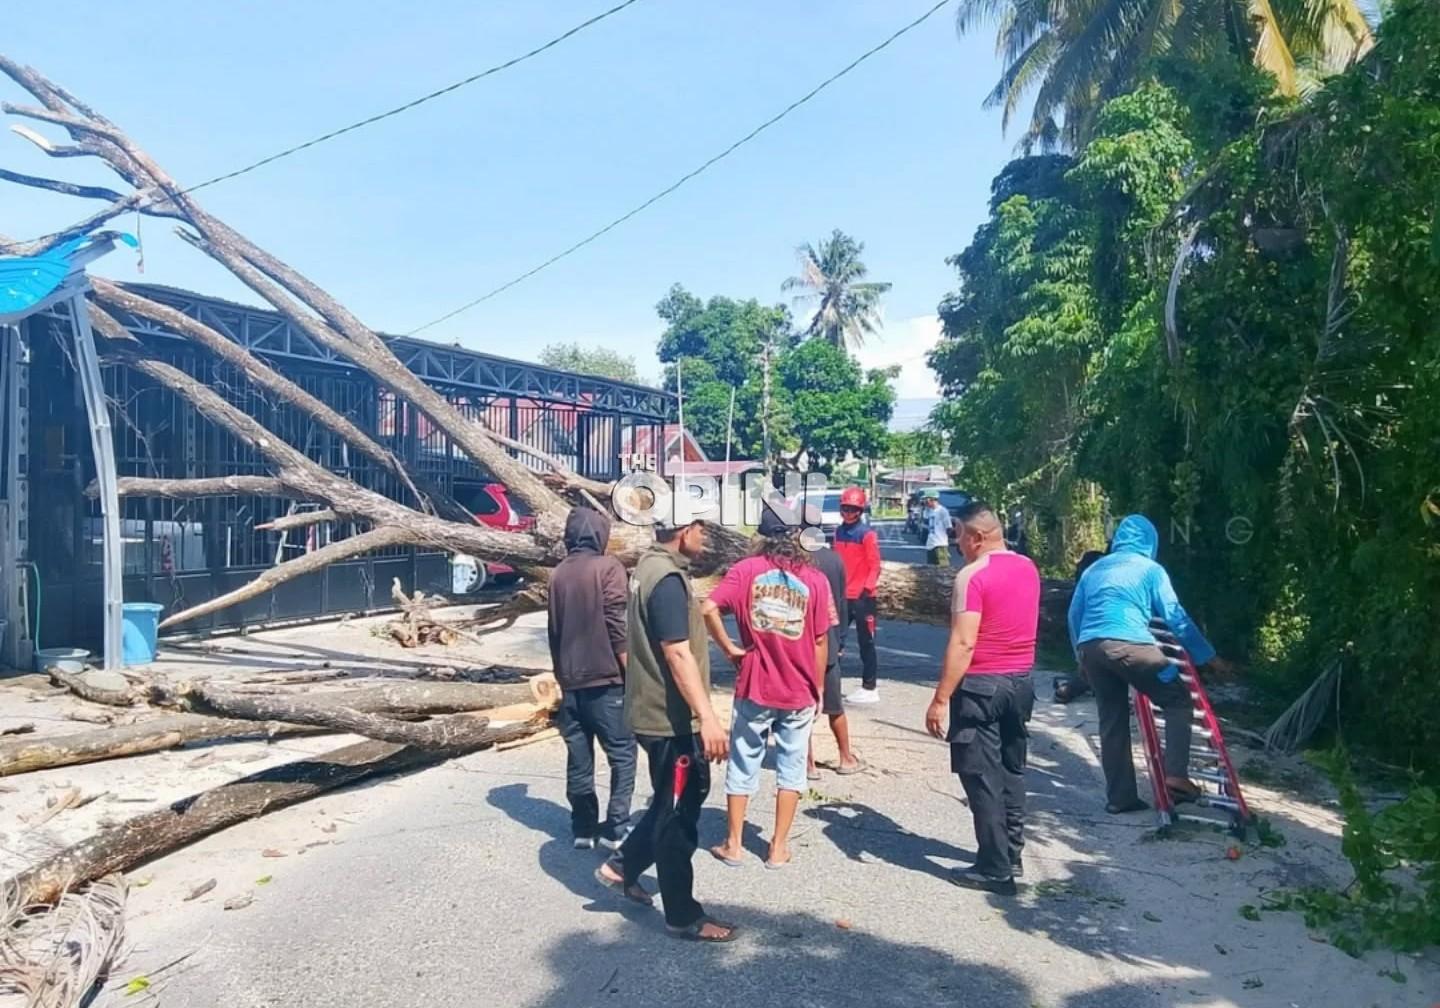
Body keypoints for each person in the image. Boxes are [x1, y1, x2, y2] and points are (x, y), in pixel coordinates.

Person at [595, 518, 737, 943]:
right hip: (669, 718)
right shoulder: (668, 579)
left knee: (669, 799)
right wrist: (707, 717)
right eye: (702, 530)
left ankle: (621, 867)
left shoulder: (648, 566)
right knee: (679, 814)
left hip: (655, 712)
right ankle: (683, 915)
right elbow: (676, 654)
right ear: (685, 530)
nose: (706, 538)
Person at [1067, 514, 1233, 814]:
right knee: (1178, 700)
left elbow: (1074, 614)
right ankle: (1177, 776)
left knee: (1112, 720)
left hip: (1092, 647)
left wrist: (1080, 655)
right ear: (1150, 543)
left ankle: (1120, 798)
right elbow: (1174, 616)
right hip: (1132, 645)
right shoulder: (1150, 570)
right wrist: (1207, 657)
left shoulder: (1094, 570)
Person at [701, 502, 836, 869]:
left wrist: (730, 647)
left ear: (761, 536)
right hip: (799, 688)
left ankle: (734, 843)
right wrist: (818, 686)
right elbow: (822, 640)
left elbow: (708, 608)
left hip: (755, 683)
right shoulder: (816, 579)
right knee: (791, 767)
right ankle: (777, 847)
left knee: (743, 762)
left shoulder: (745, 571)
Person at [925, 500, 1040, 895]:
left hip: (980, 686)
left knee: (981, 777)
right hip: (1021, 681)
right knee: (1012, 770)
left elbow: (963, 641)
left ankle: (994, 869)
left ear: (976, 537)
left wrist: (941, 698)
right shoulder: (1028, 567)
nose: (956, 542)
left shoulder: (972, 576)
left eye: (958, 534)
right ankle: (1012, 854)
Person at [547, 507, 635, 850]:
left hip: (569, 680)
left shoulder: (557, 574)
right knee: (622, 754)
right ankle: (617, 827)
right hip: (606, 679)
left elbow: (553, 629)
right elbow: (617, 623)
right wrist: (631, 669)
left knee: (579, 758)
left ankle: (582, 828)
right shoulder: (608, 567)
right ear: (601, 535)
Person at [807, 538, 862, 778]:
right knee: (835, 705)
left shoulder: (794, 558)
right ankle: (846, 757)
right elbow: (842, 601)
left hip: (800, 643)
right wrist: (841, 639)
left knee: (802, 708)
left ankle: (808, 764)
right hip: (828, 640)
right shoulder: (833, 558)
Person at [833, 486, 882, 704]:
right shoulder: (838, 532)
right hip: (842, 595)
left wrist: (866, 589)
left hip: (863, 597)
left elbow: (875, 565)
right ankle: (831, 685)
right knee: (836, 641)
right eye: (845, 508)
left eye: (853, 509)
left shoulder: (867, 534)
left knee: (866, 643)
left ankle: (870, 687)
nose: (849, 513)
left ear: (860, 511)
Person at [1052, 549, 1105, 704]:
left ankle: (1071, 688)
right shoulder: (1093, 580)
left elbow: (1074, 617)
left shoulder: (1087, 580)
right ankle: (1071, 687)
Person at [921, 488, 954, 566]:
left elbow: (949, 527)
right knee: (930, 569)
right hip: (930, 544)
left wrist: (946, 540)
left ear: (932, 499)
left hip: (940, 544)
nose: (925, 502)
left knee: (943, 568)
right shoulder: (929, 510)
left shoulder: (943, 511)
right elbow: (924, 521)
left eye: (926, 499)